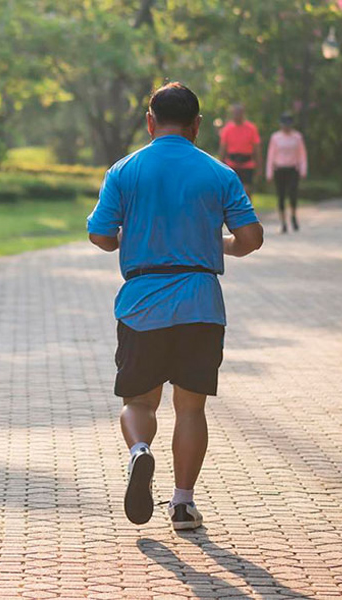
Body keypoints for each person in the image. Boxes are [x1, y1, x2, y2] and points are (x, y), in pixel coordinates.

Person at [87, 82, 264, 530]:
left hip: (142, 302)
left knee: (139, 401)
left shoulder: (124, 170)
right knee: (190, 409)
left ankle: (138, 451)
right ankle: (182, 504)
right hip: (200, 304)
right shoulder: (218, 173)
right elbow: (251, 238)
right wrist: (216, 242)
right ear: (198, 126)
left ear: (150, 122)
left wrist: (131, 238)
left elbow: (101, 236)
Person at [266, 113, 308, 233]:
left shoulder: (297, 137)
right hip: (279, 169)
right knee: (281, 196)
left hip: (292, 168)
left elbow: (302, 154)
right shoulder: (275, 137)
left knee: (293, 193)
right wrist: (269, 172)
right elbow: (271, 155)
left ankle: (293, 216)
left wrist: (303, 169)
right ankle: (283, 222)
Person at [219, 104, 262, 202]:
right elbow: (223, 148)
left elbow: (256, 148)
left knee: (247, 190)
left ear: (243, 114)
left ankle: (247, 212)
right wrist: (220, 164)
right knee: (231, 190)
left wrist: (259, 166)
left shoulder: (251, 128)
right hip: (232, 163)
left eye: (239, 113)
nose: (237, 115)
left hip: (247, 163)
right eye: (235, 113)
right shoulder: (227, 129)